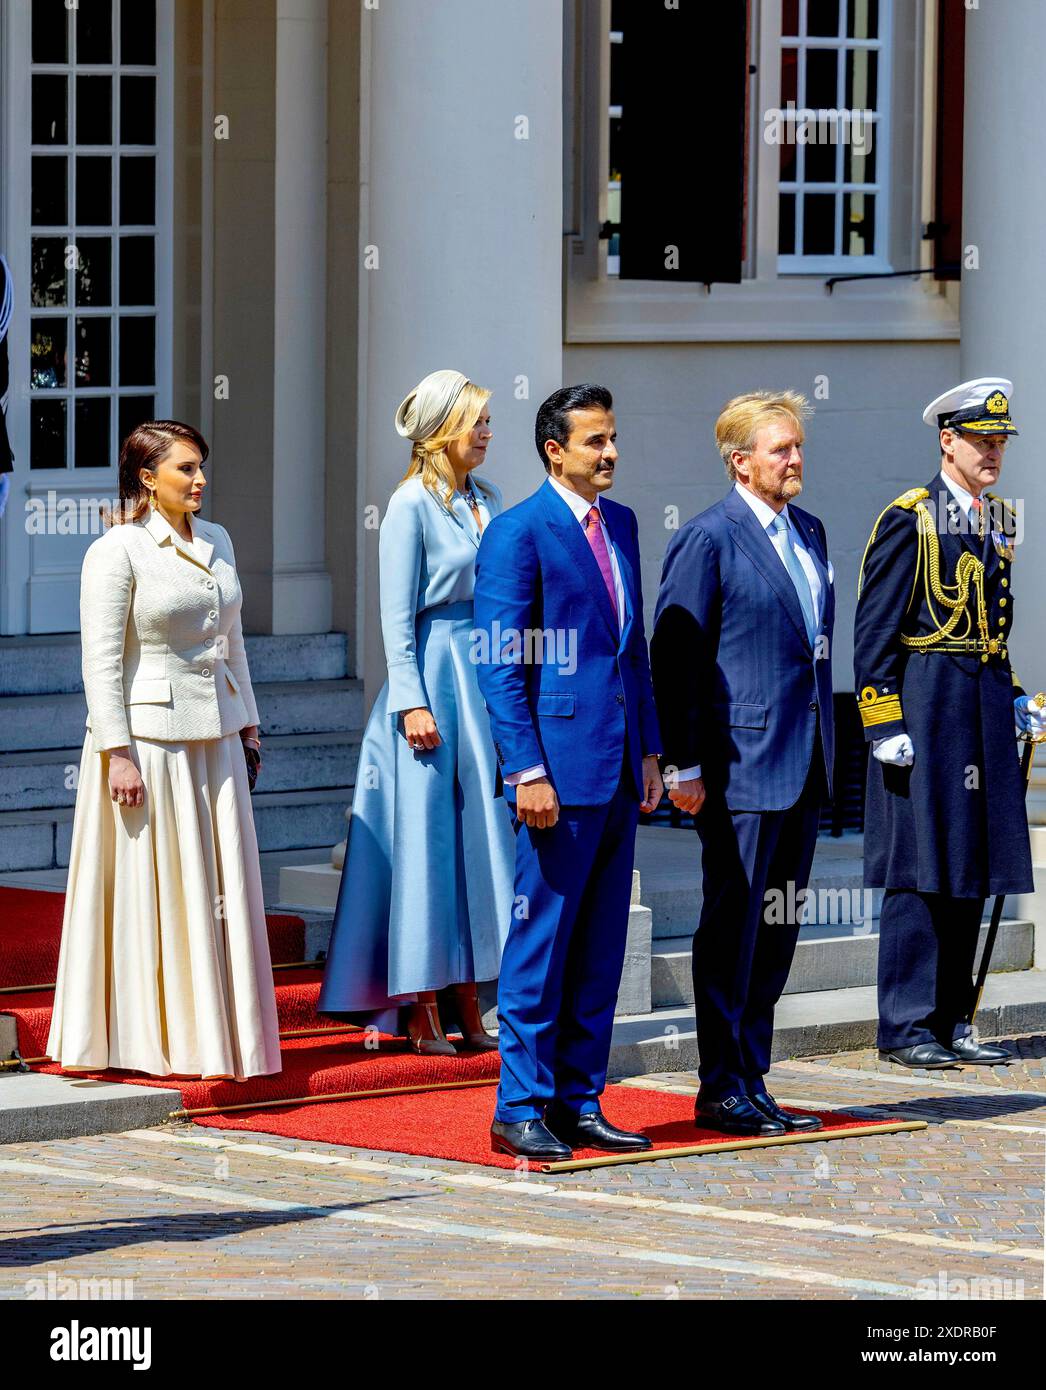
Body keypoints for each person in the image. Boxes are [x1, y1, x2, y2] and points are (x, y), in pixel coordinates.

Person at [46, 421, 281, 1080]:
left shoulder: (219, 539)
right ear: (147, 478)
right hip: (148, 746)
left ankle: (217, 1039)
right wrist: (115, 751)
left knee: (219, 887)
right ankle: (149, 1040)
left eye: (201, 466)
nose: (200, 479)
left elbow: (231, 642)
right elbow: (99, 661)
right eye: (185, 469)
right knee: (157, 893)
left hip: (219, 737)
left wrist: (250, 726)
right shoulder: (115, 550)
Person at [473, 383, 663, 1161]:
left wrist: (651, 751)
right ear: (556, 449)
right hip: (554, 773)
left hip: (618, 769)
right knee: (539, 944)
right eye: (595, 441)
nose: (610, 452)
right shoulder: (519, 532)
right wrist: (525, 770)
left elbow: (633, 649)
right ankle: (518, 1105)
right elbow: (499, 664)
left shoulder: (620, 523)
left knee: (600, 948)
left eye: (613, 437)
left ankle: (579, 1102)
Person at [651, 391, 834, 1137]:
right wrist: (682, 764)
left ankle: (753, 1076)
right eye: (779, 449)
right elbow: (677, 658)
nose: (794, 460)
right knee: (733, 929)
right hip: (739, 764)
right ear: (740, 461)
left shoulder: (811, 530)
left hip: (806, 759)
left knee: (779, 926)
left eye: (796, 446)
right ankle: (719, 1085)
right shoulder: (708, 538)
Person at [318, 371, 514, 1053]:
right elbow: (395, 618)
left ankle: (469, 995)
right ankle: (421, 1002)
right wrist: (410, 701)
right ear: (441, 430)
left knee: (476, 843)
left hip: (483, 676)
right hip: (430, 678)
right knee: (428, 845)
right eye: (477, 422)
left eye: (489, 421)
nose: (488, 433)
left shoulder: (487, 500)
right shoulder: (408, 505)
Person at [853, 378, 1039, 1069]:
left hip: (981, 707)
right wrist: (881, 721)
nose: (993, 453)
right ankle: (906, 1026)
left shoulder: (997, 521)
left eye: (1000, 442)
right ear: (947, 440)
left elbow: (994, 629)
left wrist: (1015, 695)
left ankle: (954, 1018)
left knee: (971, 862)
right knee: (920, 865)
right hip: (926, 706)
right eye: (981, 440)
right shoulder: (911, 516)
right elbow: (873, 632)